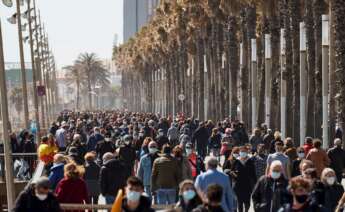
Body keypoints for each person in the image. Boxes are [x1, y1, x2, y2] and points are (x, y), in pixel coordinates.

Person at [231, 146, 256, 212]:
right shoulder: (236, 161)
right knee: (239, 202)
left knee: (247, 203)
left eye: (244, 151)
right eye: (241, 151)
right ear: (239, 152)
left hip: (247, 185)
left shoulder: (250, 161)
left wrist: (255, 184)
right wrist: (233, 174)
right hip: (238, 185)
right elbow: (232, 171)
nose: (243, 153)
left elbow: (253, 174)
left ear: (247, 152)